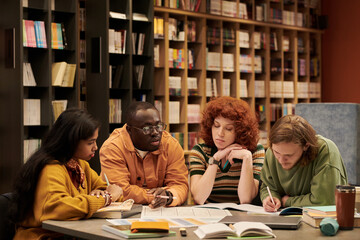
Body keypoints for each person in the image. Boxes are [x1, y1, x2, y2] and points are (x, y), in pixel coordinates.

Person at [10, 109, 123, 240]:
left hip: (70, 234)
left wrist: (101, 191)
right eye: (90, 143)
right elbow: (60, 207)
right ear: (71, 141)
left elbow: (112, 191)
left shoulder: (80, 165)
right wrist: (106, 198)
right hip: (43, 236)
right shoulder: (51, 168)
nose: (95, 147)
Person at [100, 101, 188, 208]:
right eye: (147, 128)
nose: (155, 132)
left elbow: (180, 185)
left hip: (161, 211)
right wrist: (159, 197)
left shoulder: (171, 145)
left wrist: (169, 195)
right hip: (125, 211)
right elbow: (120, 191)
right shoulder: (113, 148)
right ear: (130, 130)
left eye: (159, 126)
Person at [261, 114, 348, 212]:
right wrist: (270, 198)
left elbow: (324, 201)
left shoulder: (326, 151)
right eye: (276, 153)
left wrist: (288, 201)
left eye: (289, 155)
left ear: (306, 146)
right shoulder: (271, 152)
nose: (281, 160)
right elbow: (267, 186)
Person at [189, 96, 265, 205]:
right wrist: (215, 159)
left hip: (241, 215)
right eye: (216, 126)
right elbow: (199, 198)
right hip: (209, 215)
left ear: (240, 131)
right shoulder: (200, 151)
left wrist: (247, 158)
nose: (220, 133)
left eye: (228, 128)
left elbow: (246, 199)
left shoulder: (255, 151)